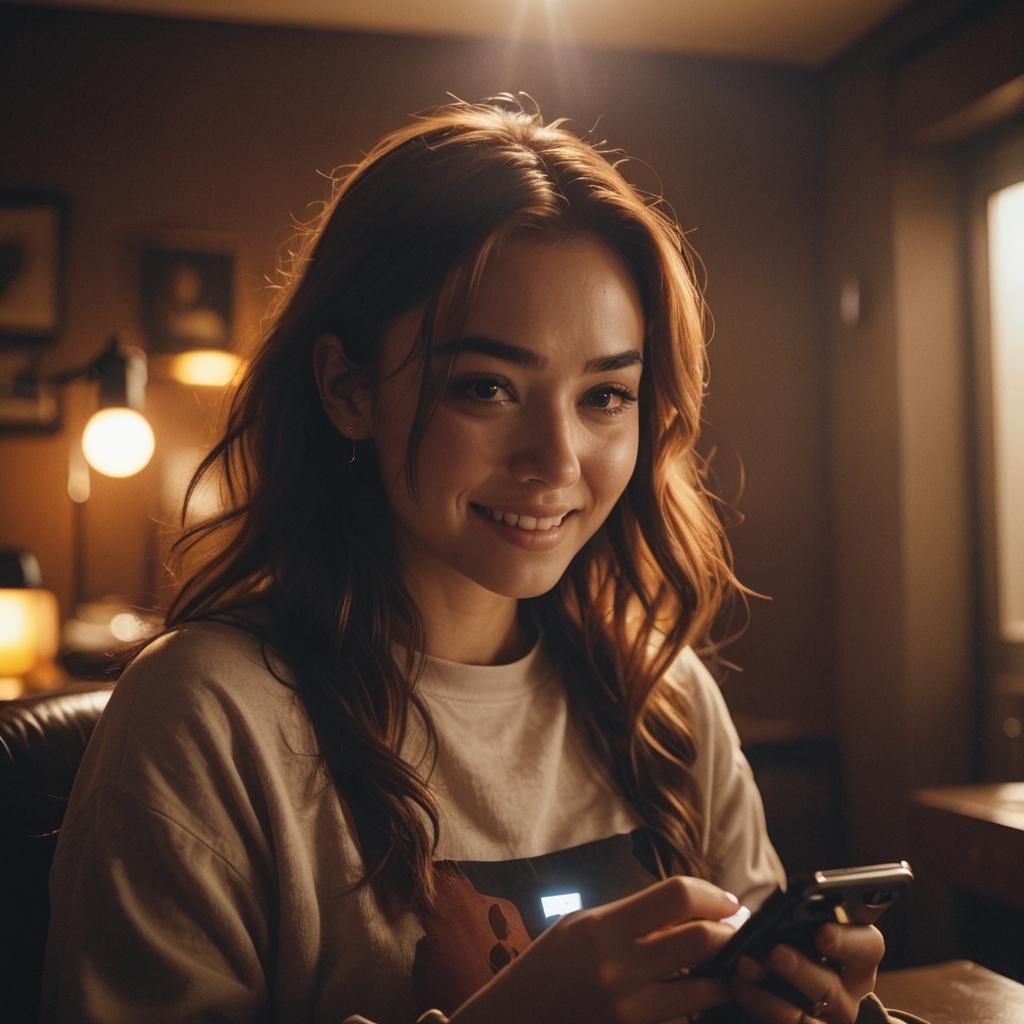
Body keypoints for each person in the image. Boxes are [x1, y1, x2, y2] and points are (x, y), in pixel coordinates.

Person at [42, 97, 904, 1024]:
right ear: (348, 388)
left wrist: (799, 1004)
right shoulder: (207, 716)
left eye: (606, 396)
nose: (559, 461)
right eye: (487, 387)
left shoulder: (661, 692)